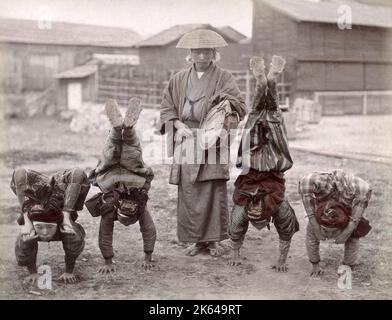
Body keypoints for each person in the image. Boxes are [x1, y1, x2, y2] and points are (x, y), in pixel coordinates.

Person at [159, 29, 247, 257]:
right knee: (190, 191)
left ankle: (213, 240)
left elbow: (240, 105)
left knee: (213, 189)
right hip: (187, 138)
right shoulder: (178, 79)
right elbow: (167, 107)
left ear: (214, 53)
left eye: (207, 51)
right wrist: (177, 125)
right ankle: (196, 241)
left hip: (214, 140)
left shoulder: (224, 77)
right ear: (190, 53)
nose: (202, 56)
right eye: (197, 51)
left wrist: (225, 105)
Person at [228, 56, 299, 272]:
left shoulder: (247, 209)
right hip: (265, 162)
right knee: (261, 115)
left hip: (261, 160)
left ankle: (266, 81)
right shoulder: (277, 206)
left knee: (271, 117)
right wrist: (281, 260)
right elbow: (285, 232)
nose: (258, 225)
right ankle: (266, 81)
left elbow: (235, 230)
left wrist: (236, 253)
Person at [87, 98, 156, 273]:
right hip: (112, 173)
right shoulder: (138, 207)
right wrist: (147, 257)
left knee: (130, 149)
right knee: (111, 151)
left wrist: (108, 262)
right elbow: (148, 230)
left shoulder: (119, 208)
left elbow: (105, 235)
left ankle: (123, 129)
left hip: (129, 174)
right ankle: (120, 130)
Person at [11, 167, 90, 284]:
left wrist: (66, 213)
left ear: (57, 224)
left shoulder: (66, 228)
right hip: (39, 191)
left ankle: (65, 210)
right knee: (19, 175)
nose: (44, 232)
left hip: (61, 192)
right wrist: (27, 221)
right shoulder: (29, 229)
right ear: (33, 225)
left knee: (77, 174)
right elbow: (19, 172)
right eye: (39, 227)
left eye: (49, 227)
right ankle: (43, 195)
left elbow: (78, 172)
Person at [298, 170, 372, 276]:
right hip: (324, 203)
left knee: (354, 235)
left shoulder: (361, 188)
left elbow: (355, 218)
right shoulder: (310, 182)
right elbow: (311, 241)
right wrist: (315, 265)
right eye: (326, 231)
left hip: (346, 207)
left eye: (332, 231)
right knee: (312, 235)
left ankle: (348, 266)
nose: (329, 234)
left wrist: (347, 231)